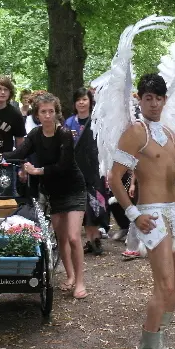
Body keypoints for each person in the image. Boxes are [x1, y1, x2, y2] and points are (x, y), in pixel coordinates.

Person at [109, 74, 175, 349]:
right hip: (152, 215)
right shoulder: (135, 133)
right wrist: (133, 214)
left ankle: (157, 341)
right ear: (140, 100)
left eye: (159, 98)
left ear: (164, 100)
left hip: (174, 213)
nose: (154, 103)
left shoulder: (170, 134)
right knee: (165, 284)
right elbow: (114, 178)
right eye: (148, 98)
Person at [0, 92, 88, 300]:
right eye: (43, 112)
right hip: (54, 191)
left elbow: (64, 166)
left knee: (74, 237)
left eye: (51, 111)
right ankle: (70, 276)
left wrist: (38, 171)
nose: (48, 115)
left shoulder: (64, 134)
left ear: (57, 113)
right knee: (61, 237)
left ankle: (81, 281)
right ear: (37, 115)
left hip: (74, 188)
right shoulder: (36, 135)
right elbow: (17, 154)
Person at [65, 87, 106, 255]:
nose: (81, 102)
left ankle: (94, 237)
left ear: (90, 101)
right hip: (76, 171)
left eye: (84, 99)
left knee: (94, 204)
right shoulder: (69, 123)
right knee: (81, 205)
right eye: (78, 100)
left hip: (95, 169)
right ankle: (91, 239)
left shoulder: (97, 121)